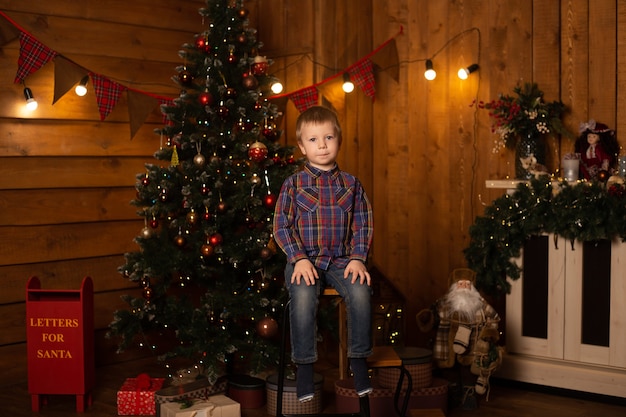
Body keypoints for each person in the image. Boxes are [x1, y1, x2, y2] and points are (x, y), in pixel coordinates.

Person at [273, 106, 374, 402]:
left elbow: (363, 222)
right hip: (304, 260)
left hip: (342, 259)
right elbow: (281, 225)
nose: (322, 145)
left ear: (338, 141)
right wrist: (298, 258)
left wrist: (358, 257)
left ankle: (359, 360)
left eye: (328, 137)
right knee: (303, 296)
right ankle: (304, 367)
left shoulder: (352, 184)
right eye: (314, 140)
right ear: (303, 146)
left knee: (361, 290)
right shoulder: (293, 185)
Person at [417, 270, 501, 397]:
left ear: (472, 286)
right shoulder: (443, 303)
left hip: (471, 348)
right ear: (454, 286)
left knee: (469, 373)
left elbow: (494, 318)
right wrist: (426, 317)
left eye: (467, 284)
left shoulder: (480, 304)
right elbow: (432, 317)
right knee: (449, 373)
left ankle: (469, 395)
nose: (464, 287)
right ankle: (453, 394)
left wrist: (487, 334)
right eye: (460, 283)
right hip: (446, 348)